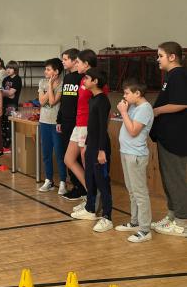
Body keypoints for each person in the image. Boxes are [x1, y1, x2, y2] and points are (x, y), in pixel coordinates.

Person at [150, 41, 187, 237]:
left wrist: (156, 111)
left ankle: (182, 223)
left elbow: (181, 103)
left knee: (176, 180)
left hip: (176, 139)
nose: (158, 59)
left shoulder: (179, 75)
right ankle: (173, 215)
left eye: (160, 55)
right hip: (166, 137)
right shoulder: (170, 76)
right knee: (168, 180)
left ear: (172, 57)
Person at [71, 69, 112, 233]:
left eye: (87, 78)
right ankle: (90, 209)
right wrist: (87, 145)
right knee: (90, 178)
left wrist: (101, 150)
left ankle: (107, 217)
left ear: (95, 81)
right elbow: (91, 127)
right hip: (91, 145)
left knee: (102, 182)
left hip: (100, 147)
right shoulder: (92, 99)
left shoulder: (103, 101)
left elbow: (102, 128)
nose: (84, 81)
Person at [116, 80, 154, 243]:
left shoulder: (145, 109)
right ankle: (135, 222)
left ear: (137, 93)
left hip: (136, 155)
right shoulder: (133, 106)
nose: (124, 96)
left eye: (127, 93)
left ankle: (145, 229)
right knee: (132, 191)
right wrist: (126, 110)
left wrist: (123, 112)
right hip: (126, 152)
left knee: (140, 193)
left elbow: (133, 131)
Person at [63, 49, 99, 201]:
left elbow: (100, 104)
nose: (76, 64)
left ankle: (92, 198)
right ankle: (89, 192)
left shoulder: (96, 80)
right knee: (68, 159)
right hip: (78, 124)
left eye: (78, 62)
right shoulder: (83, 79)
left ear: (86, 63)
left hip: (86, 125)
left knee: (87, 163)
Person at [56, 48, 86, 201]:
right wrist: (59, 119)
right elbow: (64, 101)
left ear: (75, 61)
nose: (63, 62)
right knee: (66, 155)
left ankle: (82, 187)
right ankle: (75, 185)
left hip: (77, 123)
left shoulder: (82, 78)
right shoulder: (67, 78)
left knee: (77, 157)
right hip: (66, 122)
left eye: (66, 59)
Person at [38, 58, 67, 194]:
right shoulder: (42, 82)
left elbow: (52, 101)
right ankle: (48, 180)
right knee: (46, 153)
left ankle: (62, 182)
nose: (45, 71)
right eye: (45, 69)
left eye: (48, 69)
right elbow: (41, 102)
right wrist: (48, 85)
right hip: (44, 122)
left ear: (56, 72)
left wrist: (50, 86)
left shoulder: (62, 84)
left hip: (56, 123)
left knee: (60, 154)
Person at [1, 60, 22, 148]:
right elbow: (5, 93)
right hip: (4, 103)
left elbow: (11, 93)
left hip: (12, 105)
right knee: (3, 123)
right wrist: (7, 93)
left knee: (9, 124)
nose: (8, 70)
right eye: (7, 68)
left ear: (15, 69)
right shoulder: (5, 79)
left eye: (11, 68)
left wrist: (5, 92)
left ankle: (8, 143)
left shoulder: (17, 79)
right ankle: (3, 142)